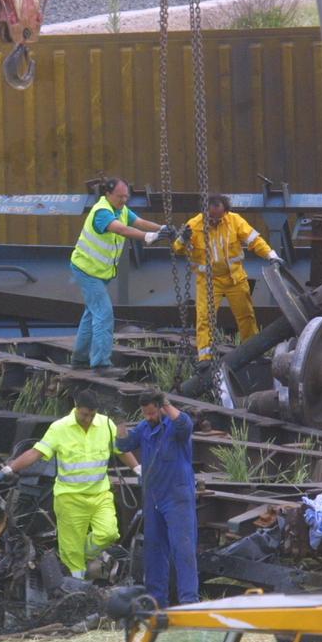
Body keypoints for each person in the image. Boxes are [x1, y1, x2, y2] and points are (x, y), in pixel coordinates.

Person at [0, 390, 141, 577]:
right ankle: (78, 589)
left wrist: (137, 468)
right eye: (84, 414)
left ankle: (83, 556)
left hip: (99, 495)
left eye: (91, 415)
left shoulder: (105, 424)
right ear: (76, 408)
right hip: (69, 498)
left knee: (108, 533)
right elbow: (36, 452)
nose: (88, 419)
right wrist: (11, 468)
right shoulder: (60, 428)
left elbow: (120, 450)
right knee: (72, 555)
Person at [71, 177, 175, 375]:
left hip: (98, 271)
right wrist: (147, 237)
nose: (124, 200)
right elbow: (121, 229)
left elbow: (139, 221)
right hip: (87, 270)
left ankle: (79, 359)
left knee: (91, 313)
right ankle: (100, 364)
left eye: (126, 196)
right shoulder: (102, 212)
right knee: (104, 313)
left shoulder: (121, 210)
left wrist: (162, 229)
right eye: (120, 196)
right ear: (108, 194)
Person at [175, 194, 281, 363]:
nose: (216, 221)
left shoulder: (234, 221)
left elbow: (254, 240)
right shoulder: (193, 226)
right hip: (208, 281)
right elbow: (178, 249)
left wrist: (270, 255)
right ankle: (205, 358)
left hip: (234, 278)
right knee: (205, 318)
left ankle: (253, 352)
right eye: (212, 218)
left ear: (225, 211)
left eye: (219, 217)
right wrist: (182, 239)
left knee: (246, 315)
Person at [116, 392, 199, 607]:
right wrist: (120, 424)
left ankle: (189, 602)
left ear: (161, 408)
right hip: (153, 497)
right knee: (154, 549)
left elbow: (185, 424)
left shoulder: (174, 427)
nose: (149, 417)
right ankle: (156, 602)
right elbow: (124, 445)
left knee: (183, 549)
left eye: (153, 413)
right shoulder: (144, 428)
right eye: (145, 414)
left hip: (177, 496)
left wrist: (166, 404)